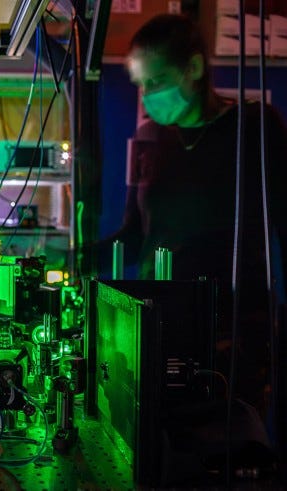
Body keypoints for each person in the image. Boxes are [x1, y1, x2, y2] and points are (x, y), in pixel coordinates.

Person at [109, 14, 287, 414]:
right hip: (158, 327)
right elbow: (133, 237)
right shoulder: (148, 138)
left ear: (194, 67)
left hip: (234, 335)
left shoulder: (256, 128)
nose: (147, 95)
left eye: (156, 81)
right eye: (141, 84)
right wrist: (72, 257)